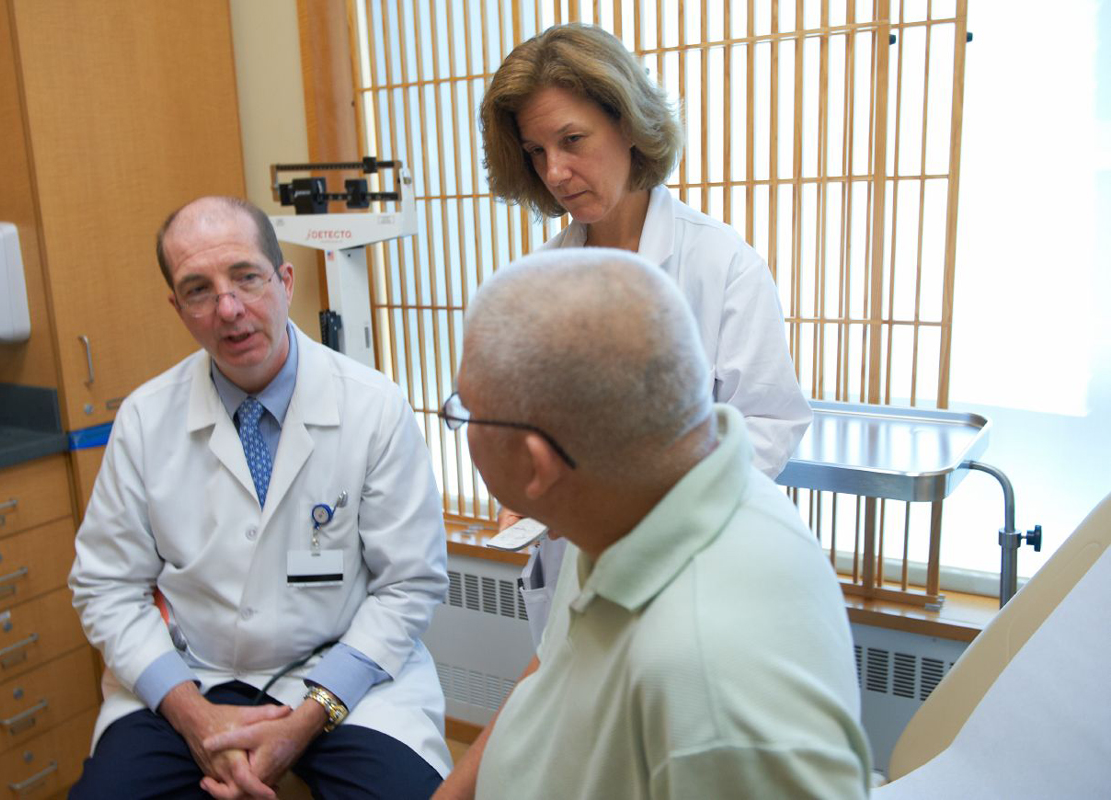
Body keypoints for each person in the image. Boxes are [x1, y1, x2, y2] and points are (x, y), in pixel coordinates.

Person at [444, 248, 871, 799]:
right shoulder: (628, 499)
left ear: (537, 465)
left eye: (465, 411)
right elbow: (552, 670)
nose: (463, 422)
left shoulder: (713, 690)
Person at [68, 196, 450, 799]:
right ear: (178, 309)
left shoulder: (374, 408)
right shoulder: (145, 418)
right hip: (193, 675)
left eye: (246, 277)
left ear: (284, 280)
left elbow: (409, 585)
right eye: (199, 290)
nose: (229, 309)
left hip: (340, 678)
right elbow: (105, 585)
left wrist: (307, 718)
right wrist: (194, 716)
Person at [477, 21, 813, 645]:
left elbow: (768, 424)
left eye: (572, 140)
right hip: (573, 567)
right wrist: (524, 496)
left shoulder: (721, 264)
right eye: (536, 151)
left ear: (628, 124)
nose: (555, 171)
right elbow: (522, 426)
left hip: (687, 569)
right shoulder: (540, 278)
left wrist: (648, 511)